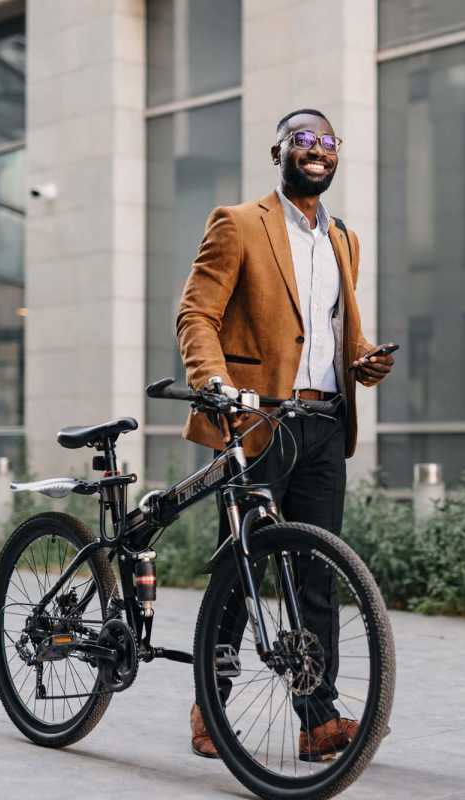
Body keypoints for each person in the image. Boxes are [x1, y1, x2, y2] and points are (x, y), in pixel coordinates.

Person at [175, 108, 393, 760]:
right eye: (303, 139)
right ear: (279, 152)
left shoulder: (344, 239)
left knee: (317, 573)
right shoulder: (239, 223)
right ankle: (211, 706)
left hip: (324, 422)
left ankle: (317, 716)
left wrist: (363, 359)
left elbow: (336, 331)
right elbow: (197, 313)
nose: (317, 149)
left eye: (327, 141)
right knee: (239, 570)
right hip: (256, 420)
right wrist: (213, 381)